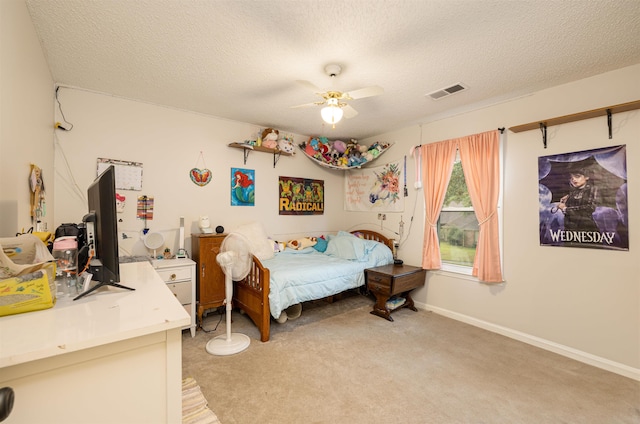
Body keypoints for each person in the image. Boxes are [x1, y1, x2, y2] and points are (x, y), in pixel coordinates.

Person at [556, 166, 599, 232]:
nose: (573, 179)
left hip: (586, 230)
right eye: (571, 178)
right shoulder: (572, 192)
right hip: (570, 229)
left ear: (586, 177)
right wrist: (565, 202)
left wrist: (565, 209)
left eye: (577, 176)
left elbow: (589, 208)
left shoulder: (592, 189)